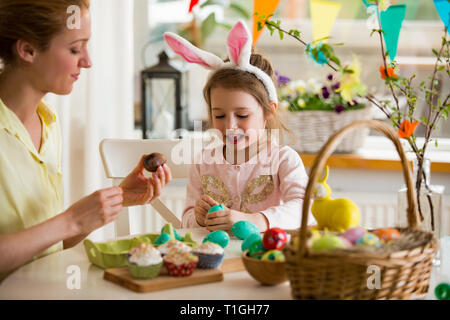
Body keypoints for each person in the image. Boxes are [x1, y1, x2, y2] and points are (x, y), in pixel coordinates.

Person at [0, 0, 172, 281]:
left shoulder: (48, 123)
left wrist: (121, 197)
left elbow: (47, 245)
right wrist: (71, 220)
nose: (88, 61)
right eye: (75, 48)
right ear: (27, 50)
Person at [164, 21, 310, 233]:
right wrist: (198, 217)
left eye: (242, 115)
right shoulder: (204, 162)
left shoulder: (283, 160)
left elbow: (303, 209)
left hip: (264, 260)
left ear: (269, 110)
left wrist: (256, 220)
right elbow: (186, 220)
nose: (230, 126)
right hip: (216, 260)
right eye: (219, 115)